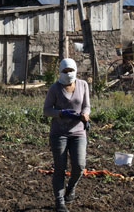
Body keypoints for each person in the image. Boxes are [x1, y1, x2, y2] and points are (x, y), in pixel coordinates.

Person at [43, 58, 91, 212]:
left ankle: (70, 188)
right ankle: (60, 202)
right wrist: (60, 113)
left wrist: (86, 114)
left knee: (79, 165)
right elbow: (46, 110)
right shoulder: (55, 88)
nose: (68, 73)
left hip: (78, 132)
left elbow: (87, 105)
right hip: (59, 133)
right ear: (60, 72)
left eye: (70, 70)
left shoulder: (83, 85)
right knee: (60, 168)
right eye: (65, 71)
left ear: (75, 70)